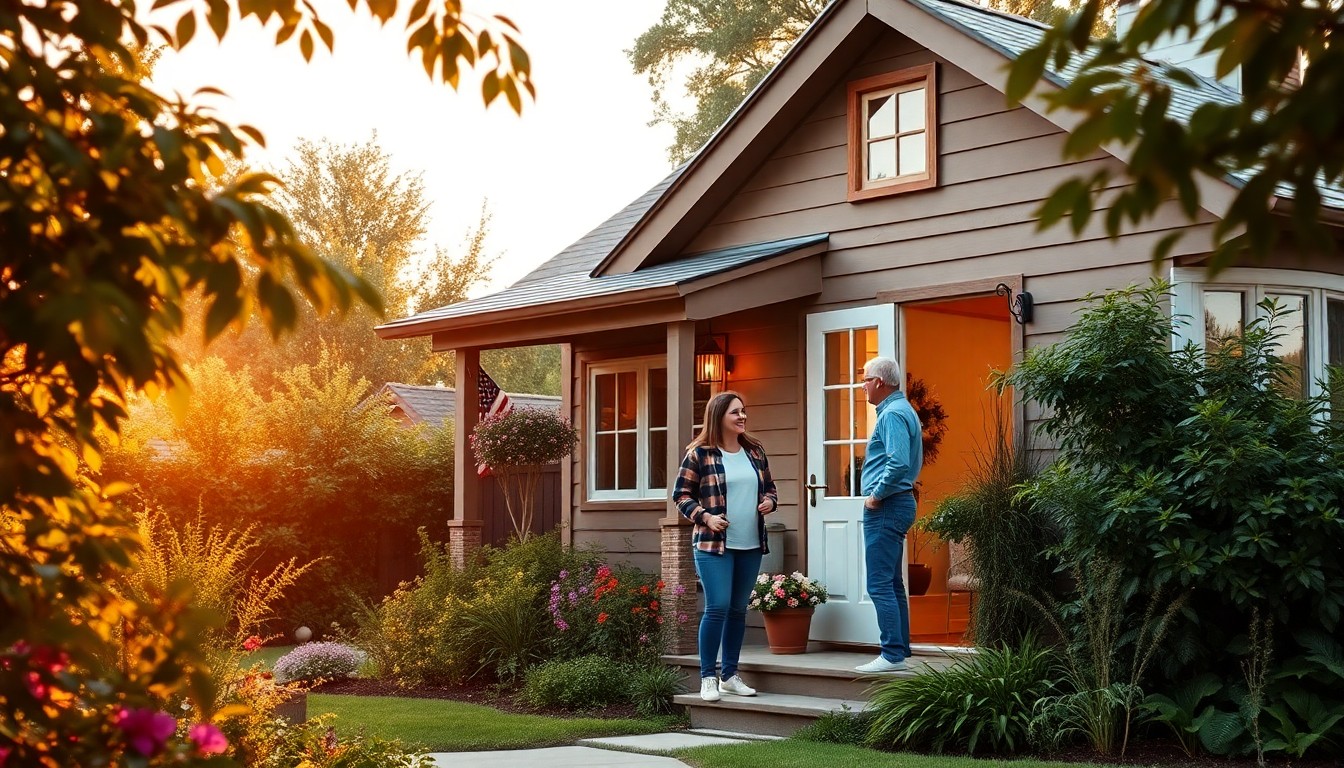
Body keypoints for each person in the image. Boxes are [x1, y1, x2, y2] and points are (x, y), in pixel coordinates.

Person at [673, 391, 779, 702]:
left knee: (737, 610)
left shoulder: (755, 452)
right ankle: (708, 677)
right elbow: (681, 495)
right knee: (717, 606)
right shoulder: (700, 454)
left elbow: (770, 488)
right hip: (712, 545)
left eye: (744, 411)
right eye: (735, 412)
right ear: (719, 416)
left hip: (750, 544)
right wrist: (705, 516)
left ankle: (729, 675)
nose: (742, 417)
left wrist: (770, 502)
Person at [855, 356, 923, 674]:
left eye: (866, 380)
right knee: (893, 582)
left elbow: (896, 463)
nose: (863, 386)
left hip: (888, 504)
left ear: (879, 382)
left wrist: (875, 496)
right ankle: (900, 649)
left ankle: (892, 653)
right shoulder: (902, 409)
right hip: (899, 502)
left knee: (879, 584)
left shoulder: (892, 414)